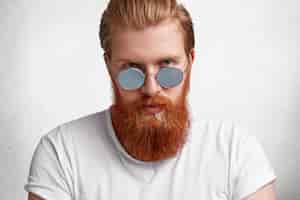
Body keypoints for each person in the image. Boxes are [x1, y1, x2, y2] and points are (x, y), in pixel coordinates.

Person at [25, 0, 277, 199]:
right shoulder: (62, 153)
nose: (150, 88)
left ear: (190, 61)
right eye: (131, 70)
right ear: (109, 66)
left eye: (167, 67)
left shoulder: (235, 151)